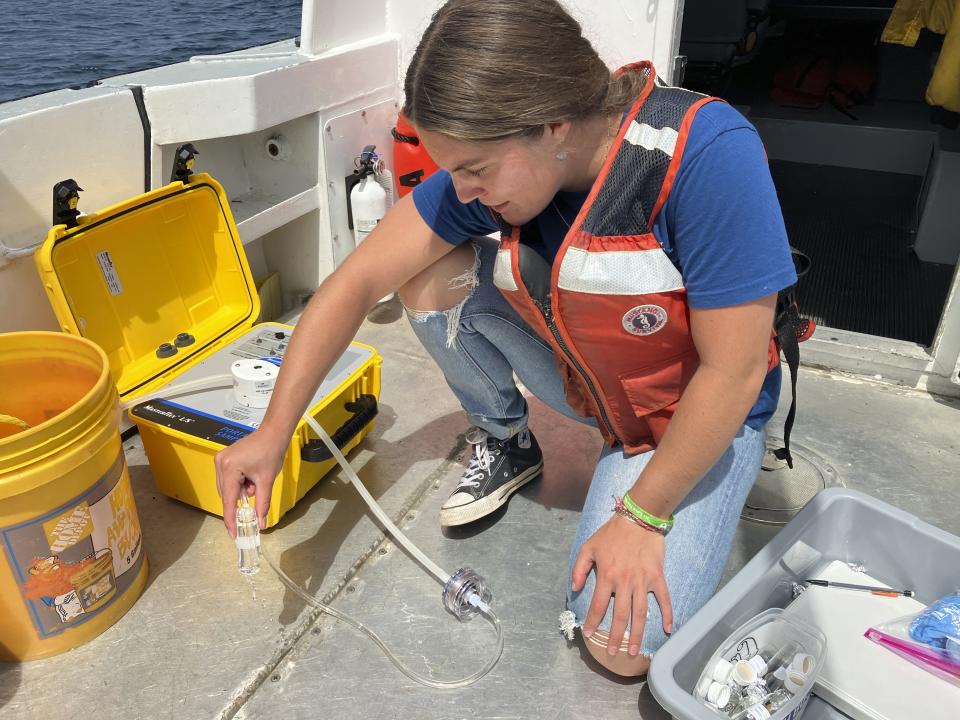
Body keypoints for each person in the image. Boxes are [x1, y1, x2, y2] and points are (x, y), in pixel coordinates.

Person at [215, 0, 797, 678]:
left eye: (474, 169)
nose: (461, 190)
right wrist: (272, 430)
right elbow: (354, 283)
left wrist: (642, 515)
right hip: (594, 387)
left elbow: (732, 373)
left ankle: (644, 487)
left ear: (553, 125)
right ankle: (507, 437)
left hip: (693, 414)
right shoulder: (503, 162)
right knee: (428, 275)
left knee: (620, 645)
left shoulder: (708, 155)